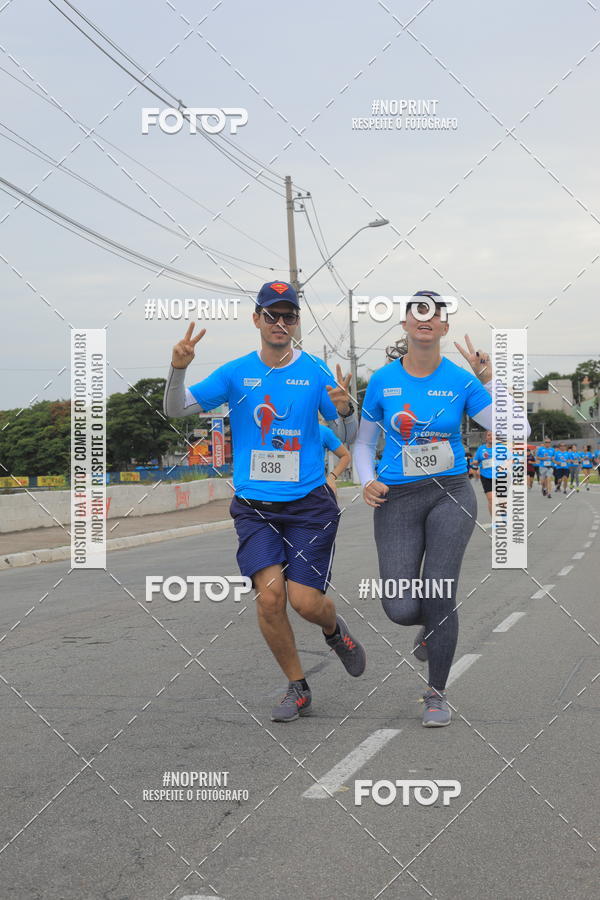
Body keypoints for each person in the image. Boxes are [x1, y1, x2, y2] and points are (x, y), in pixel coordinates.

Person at [163, 281, 366, 723]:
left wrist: (347, 411)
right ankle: (298, 686)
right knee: (270, 599)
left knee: (306, 603)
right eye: (270, 315)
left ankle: (334, 630)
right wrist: (177, 369)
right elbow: (177, 411)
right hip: (255, 507)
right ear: (256, 319)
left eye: (288, 315)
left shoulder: (314, 372)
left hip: (309, 504)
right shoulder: (235, 374)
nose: (279, 323)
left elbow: (348, 442)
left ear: (297, 323)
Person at [354, 290, 530, 728]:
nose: (425, 319)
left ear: (445, 327)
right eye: (417, 312)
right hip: (396, 498)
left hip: (450, 493)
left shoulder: (460, 380)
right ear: (406, 324)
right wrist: (365, 480)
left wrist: (488, 378)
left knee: (439, 590)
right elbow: (362, 443)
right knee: (399, 606)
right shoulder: (382, 381)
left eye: (435, 314)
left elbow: (518, 428)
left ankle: (436, 693)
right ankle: (431, 629)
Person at [470, 431, 500, 517]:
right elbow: (476, 460)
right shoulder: (481, 449)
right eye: (489, 435)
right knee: (491, 499)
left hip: (500, 476)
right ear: (486, 438)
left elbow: (510, 460)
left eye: (493, 435)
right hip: (485, 476)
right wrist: (474, 463)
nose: (491, 437)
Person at [319, 423, 351, 493]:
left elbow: (345, 456)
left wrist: (332, 477)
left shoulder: (322, 431)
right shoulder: (288, 430)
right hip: (289, 494)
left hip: (316, 492)